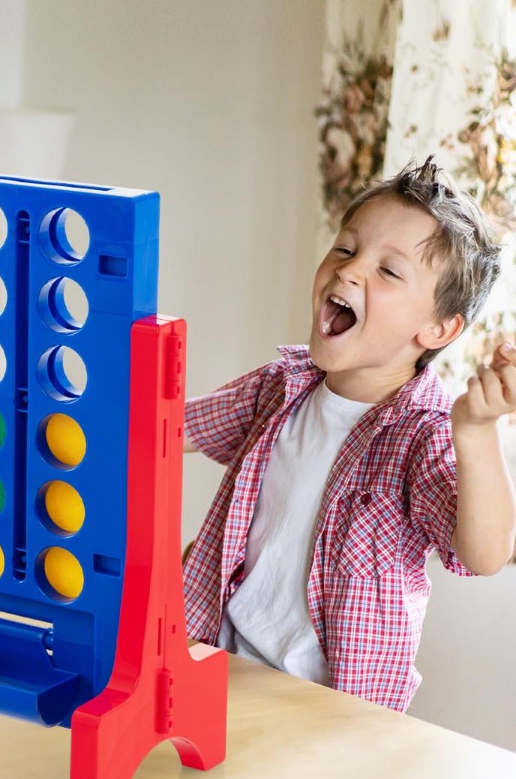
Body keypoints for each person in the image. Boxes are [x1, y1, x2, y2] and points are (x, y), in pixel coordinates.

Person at [184, 157, 515, 712]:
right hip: (221, 658)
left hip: (334, 709)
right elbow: (170, 428)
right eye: (346, 248)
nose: (349, 270)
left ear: (436, 329)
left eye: (389, 271)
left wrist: (477, 432)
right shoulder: (279, 387)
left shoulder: (419, 437)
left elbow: (483, 555)